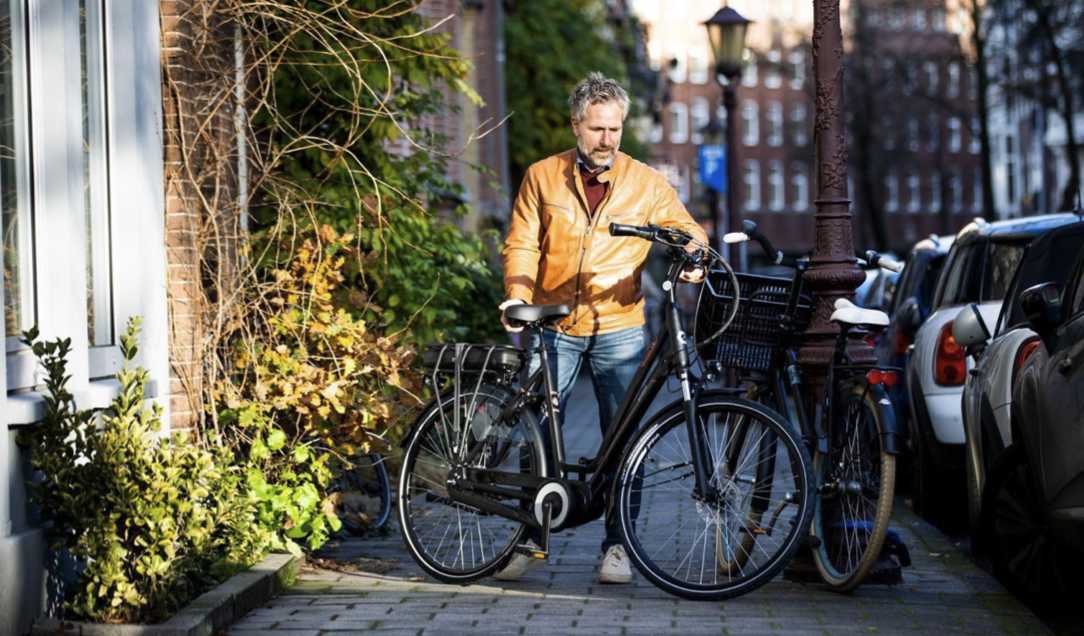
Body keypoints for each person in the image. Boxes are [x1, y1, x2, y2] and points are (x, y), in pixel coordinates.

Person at [496, 72, 708, 584]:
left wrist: (695, 257)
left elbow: (688, 230)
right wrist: (518, 295)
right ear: (576, 126)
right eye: (596, 129)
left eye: (614, 129)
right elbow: (522, 242)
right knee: (539, 434)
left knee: (623, 439)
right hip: (553, 323)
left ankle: (619, 546)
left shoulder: (646, 182)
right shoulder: (543, 176)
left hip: (619, 325)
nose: (606, 139)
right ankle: (529, 537)